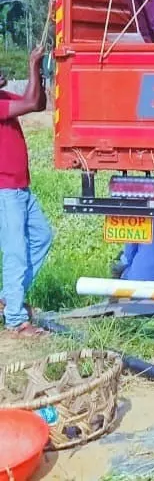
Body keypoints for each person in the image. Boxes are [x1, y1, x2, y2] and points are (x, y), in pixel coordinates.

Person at [0, 47, 54, 337]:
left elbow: (38, 103)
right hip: (5, 192)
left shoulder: (4, 98)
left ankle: (8, 299)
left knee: (43, 237)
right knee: (16, 254)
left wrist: (40, 71)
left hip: (20, 189)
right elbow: (32, 101)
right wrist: (32, 62)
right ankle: (15, 321)